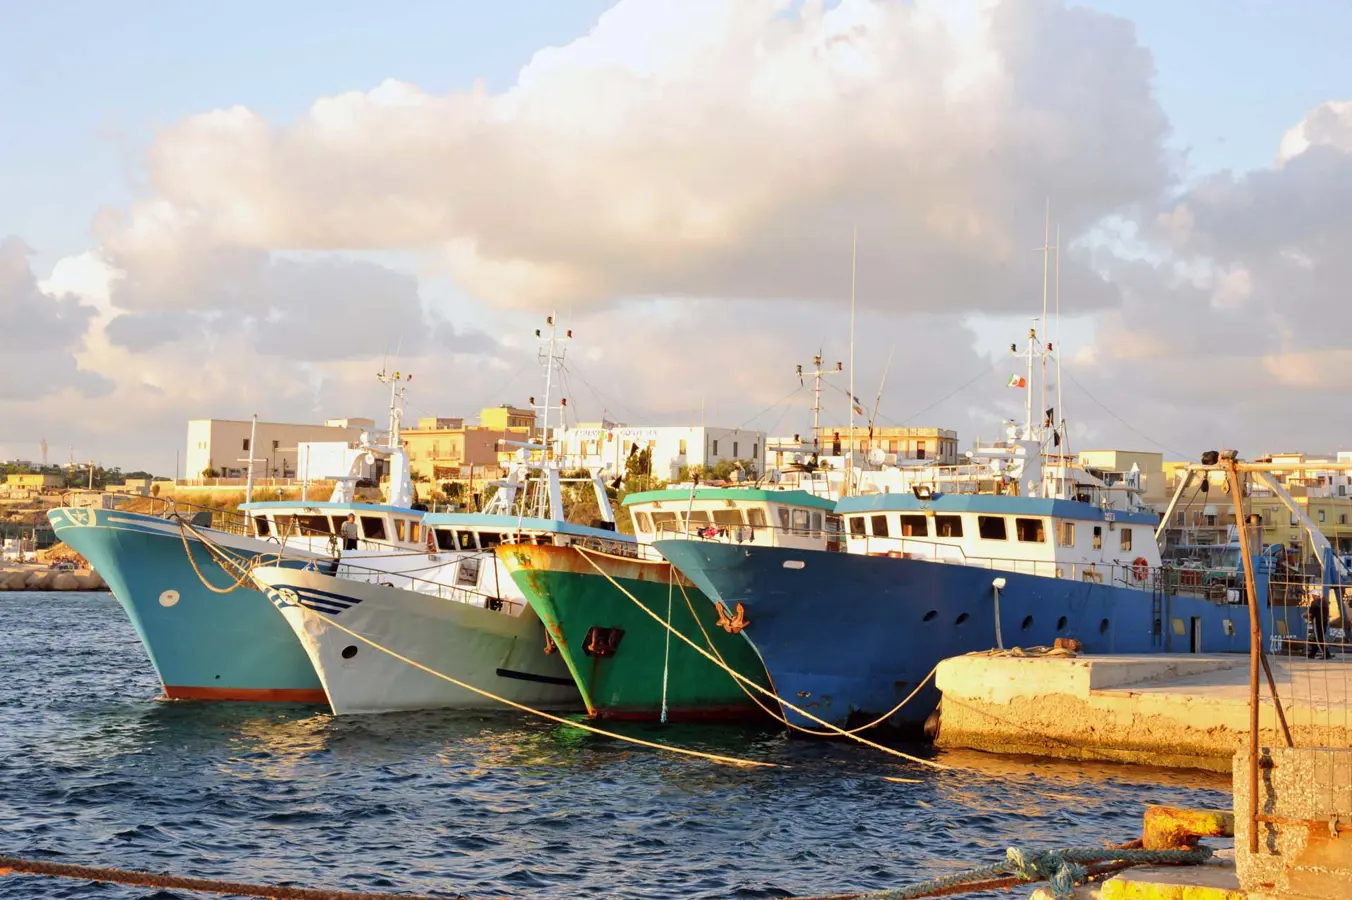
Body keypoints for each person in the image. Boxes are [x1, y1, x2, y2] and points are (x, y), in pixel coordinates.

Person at [1307, 590, 1330, 659]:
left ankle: (1327, 654)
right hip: (1325, 622)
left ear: (1314, 595)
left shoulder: (1314, 602)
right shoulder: (1325, 602)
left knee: (1319, 638)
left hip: (1318, 622)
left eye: (1312, 595)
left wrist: (1306, 616)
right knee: (1316, 638)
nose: (1312, 596)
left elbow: (1310, 614)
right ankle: (1312, 653)